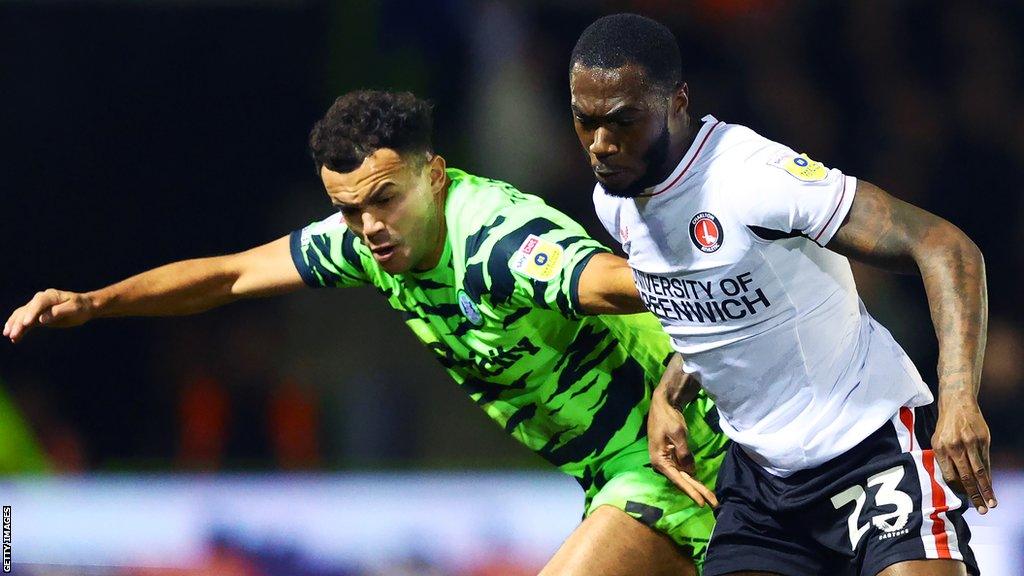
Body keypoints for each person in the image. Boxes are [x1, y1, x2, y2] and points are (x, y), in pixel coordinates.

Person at [4, 90, 728, 576]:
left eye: (385, 199)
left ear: (435, 175)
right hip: (615, 469)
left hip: (683, 456)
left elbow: (673, 288)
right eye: (349, 210)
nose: (369, 227)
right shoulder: (363, 239)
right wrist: (96, 303)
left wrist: (672, 387)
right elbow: (227, 277)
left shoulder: (504, 244)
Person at [568, 13, 990, 576]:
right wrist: (670, 396)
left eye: (622, 120)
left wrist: (959, 398)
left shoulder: (753, 177)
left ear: (677, 101)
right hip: (763, 488)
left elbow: (944, 246)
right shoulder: (614, 201)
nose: (600, 144)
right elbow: (708, 307)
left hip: (869, 455)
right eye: (584, 121)